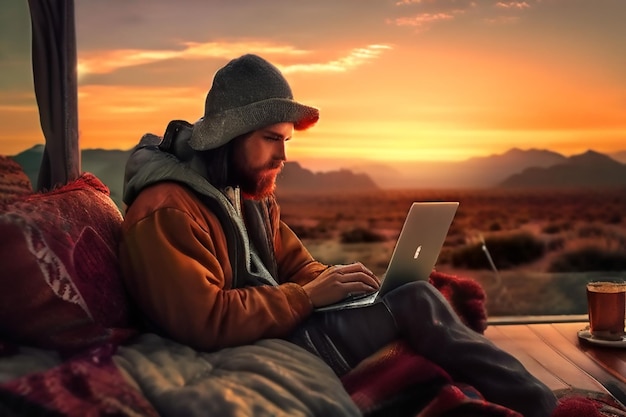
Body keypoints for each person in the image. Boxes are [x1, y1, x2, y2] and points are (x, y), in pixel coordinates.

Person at [118, 54, 557, 417]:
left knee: (407, 295)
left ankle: (506, 399)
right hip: (244, 345)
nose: (284, 155)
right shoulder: (166, 211)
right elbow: (206, 320)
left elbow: (296, 265)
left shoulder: (245, 193)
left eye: (286, 140)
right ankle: (544, 408)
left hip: (276, 326)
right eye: (272, 139)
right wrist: (307, 298)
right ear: (230, 135)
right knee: (416, 301)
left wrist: (341, 285)